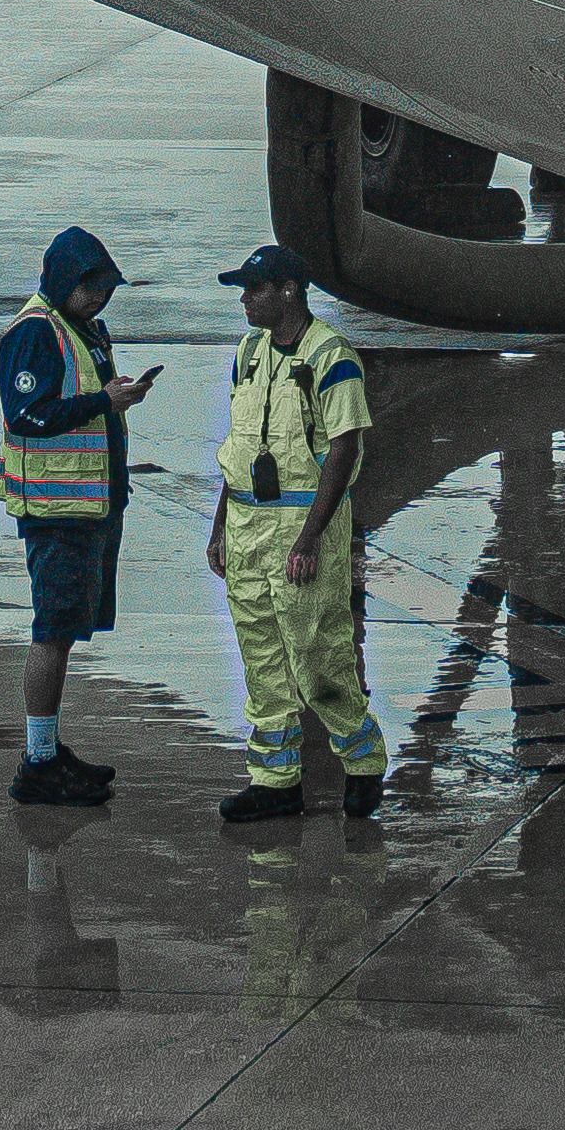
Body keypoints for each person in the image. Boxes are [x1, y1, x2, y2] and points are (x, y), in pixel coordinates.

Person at [207, 240, 387, 825]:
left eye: (253, 289)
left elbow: (344, 450)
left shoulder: (331, 357)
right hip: (247, 527)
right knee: (261, 658)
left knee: (318, 656)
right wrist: (219, 527)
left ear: (289, 291)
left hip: (300, 529)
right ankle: (274, 782)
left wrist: (309, 540)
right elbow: (238, 448)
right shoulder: (248, 354)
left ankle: (362, 764)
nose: (244, 300)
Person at [0, 226, 155, 806]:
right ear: (65, 282)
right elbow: (26, 416)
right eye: (92, 289)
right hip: (57, 509)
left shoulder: (83, 328)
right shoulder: (35, 332)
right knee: (52, 630)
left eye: (107, 291)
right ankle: (38, 761)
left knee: (64, 630)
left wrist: (115, 394)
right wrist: (101, 402)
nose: (100, 300)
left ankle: (47, 749)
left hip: (90, 504)